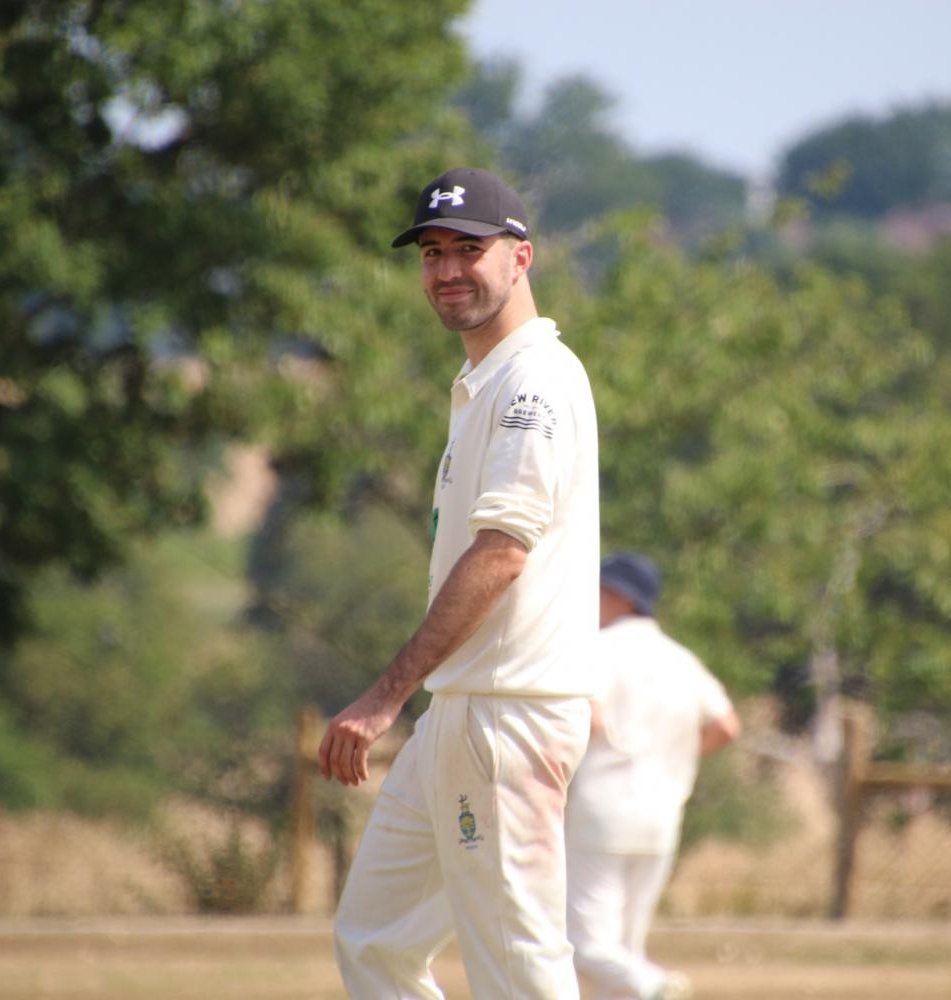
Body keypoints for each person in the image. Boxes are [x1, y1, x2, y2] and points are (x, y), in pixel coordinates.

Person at [318, 166, 600, 999]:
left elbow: (503, 554)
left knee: (518, 966)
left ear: (521, 259)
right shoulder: (486, 383)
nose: (446, 270)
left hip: (506, 716)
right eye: (432, 252)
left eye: (468, 250)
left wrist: (382, 697)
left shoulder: (531, 383)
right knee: (374, 941)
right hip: (463, 710)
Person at [565, 552, 741, 1000]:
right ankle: (646, 983)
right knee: (624, 948)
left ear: (621, 598)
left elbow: (594, 718)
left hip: (603, 809)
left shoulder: (599, 649)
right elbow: (727, 726)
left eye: (600, 592)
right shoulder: (681, 659)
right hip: (662, 813)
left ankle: (655, 983)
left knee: (584, 945)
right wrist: (673, 755)